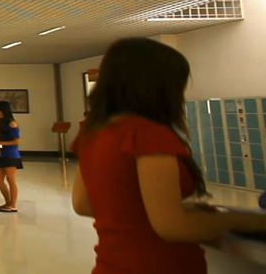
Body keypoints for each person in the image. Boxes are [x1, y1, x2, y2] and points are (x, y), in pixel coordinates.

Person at [71, 38, 266, 274]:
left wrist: (160, 209)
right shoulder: (147, 134)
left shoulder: (92, 131)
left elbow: (83, 204)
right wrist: (245, 220)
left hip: (111, 265)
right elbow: (172, 227)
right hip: (161, 265)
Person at [0, 101, 22, 212]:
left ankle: (13, 204)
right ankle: (8, 202)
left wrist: (0, 143)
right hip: (3, 154)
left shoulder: (12, 123)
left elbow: (16, 141)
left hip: (11, 155)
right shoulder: (2, 123)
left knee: (11, 179)